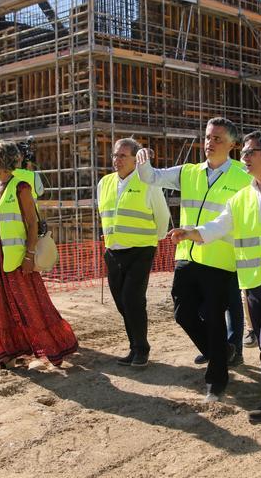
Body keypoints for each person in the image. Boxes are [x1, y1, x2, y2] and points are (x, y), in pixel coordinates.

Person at [168, 131, 261, 424]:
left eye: (251, 152)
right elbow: (218, 226)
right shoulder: (240, 198)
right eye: (244, 153)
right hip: (252, 281)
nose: (245, 158)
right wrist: (191, 233)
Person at [136, 117, 252, 401]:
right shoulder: (189, 172)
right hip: (186, 256)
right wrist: (142, 160)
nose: (209, 144)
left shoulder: (242, 177)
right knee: (182, 313)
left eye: (217, 139)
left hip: (219, 260)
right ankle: (222, 352)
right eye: (208, 137)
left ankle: (217, 379)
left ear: (232, 145)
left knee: (213, 319)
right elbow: (152, 177)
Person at [0, 140, 78, 369]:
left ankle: (54, 348)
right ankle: (7, 353)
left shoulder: (21, 187)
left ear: (1, 160)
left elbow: (32, 223)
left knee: (30, 303)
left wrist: (30, 254)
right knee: (0, 306)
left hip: (16, 257)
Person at [97, 138, 170, 367]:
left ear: (135, 159)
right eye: (115, 156)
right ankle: (134, 347)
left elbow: (162, 216)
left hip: (141, 250)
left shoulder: (148, 181)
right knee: (121, 302)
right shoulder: (104, 183)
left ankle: (141, 349)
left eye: (122, 156)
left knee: (132, 299)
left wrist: (152, 240)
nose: (116, 160)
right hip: (114, 251)